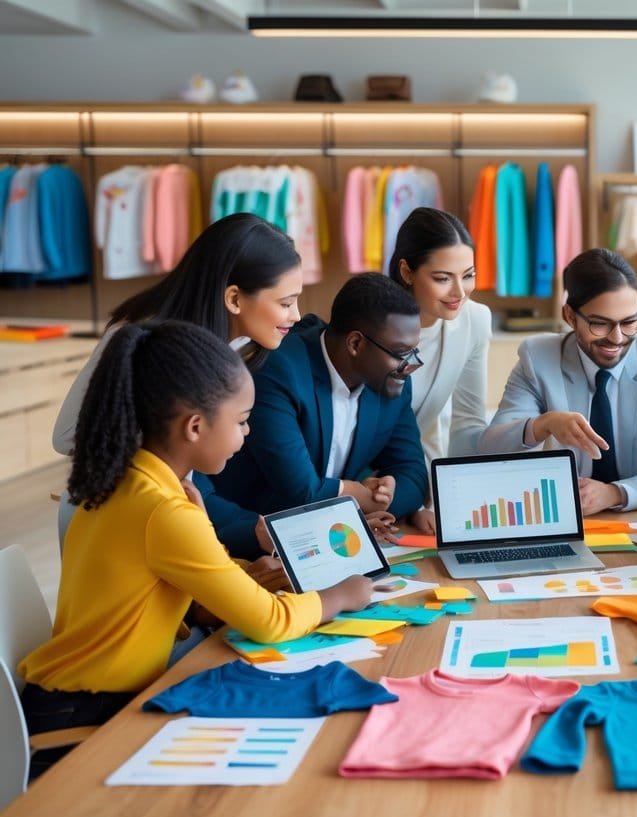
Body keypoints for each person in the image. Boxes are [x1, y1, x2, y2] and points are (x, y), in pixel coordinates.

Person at [19, 321, 371, 777]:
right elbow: (268, 622)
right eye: (242, 421)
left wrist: (209, 533)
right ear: (195, 426)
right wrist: (340, 596)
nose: (246, 435)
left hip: (68, 700)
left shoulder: (133, 481)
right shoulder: (162, 510)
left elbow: (187, 587)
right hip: (80, 722)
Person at [52, 212, 305, 565]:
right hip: (111, 516)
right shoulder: (142, 337)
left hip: (165, 515)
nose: (296, 315)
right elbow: (66, 437)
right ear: (233, 299)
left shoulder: (233, 349)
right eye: (285, 303)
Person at [207, 274, 428, 554]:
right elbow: (301, 492)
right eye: (401, 353)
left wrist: (385, 494)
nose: (411, 366)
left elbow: (414, 476)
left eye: (413, 352)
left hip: (327, 542)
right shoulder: (279, 371)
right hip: (247, 542)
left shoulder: (390, 381)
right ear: (356, 344)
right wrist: (355, 497)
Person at [481, 247, 637, 514]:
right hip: (565, 516)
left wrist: (615, 493)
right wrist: (543, 424)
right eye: (600, 324)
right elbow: (490, 448)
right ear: (569, 316)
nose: (617, 338)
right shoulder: (538, 358)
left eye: (629, 322)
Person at [388, 207, 491, 534]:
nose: (459, 292)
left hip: (416, 479)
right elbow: (357, 432)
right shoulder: (374, 325)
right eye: (443, 278)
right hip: (367, 481)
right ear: (407, 271)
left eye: (468, 275)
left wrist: (451, 497)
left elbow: (468, 421)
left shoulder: (475, 319)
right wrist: (413, 502)